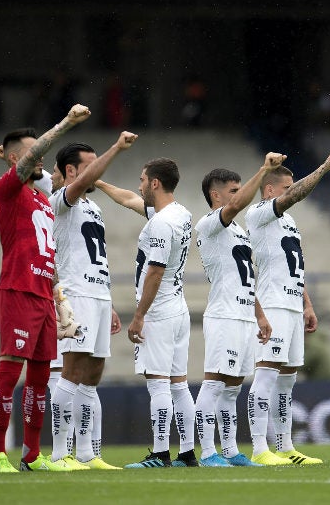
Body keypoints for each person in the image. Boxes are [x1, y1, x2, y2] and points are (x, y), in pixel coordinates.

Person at [0, 104, 93, 474]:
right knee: (9, 373)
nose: (41, 157)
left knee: (40, 378)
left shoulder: (42, 201)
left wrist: (59, 300)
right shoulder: (7, 190)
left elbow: (46, 255)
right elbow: (31, 155)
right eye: (34, 151)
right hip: (16, 290)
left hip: (43, 296)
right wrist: (64, 123)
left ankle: (32, 454)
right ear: (17, 158)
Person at [245, 151, 330, 465]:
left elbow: (295, 267)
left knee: (287, 380)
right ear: (270, 190)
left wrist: (307, 304)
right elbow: (299, 193)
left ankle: (286, 447)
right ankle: (260, 449)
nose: (291, 192)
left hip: (292, 304)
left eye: (291, 187)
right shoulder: (259, 212)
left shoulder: (289, 222)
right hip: (273, 304)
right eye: (285, 188)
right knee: (266, 376)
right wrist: (325, 167)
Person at [45, 131, 138, 470]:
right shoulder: (60, 200)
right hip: (77, 294)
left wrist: (109, 302)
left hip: (98, 295)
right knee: (70, 371)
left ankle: (87, 453)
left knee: (93, 374)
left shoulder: (93, 206)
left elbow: (94, 256)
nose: (97, 171)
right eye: (90, 166)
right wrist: (116, 148)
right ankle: (59, 454)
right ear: (71, 172)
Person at [95, 159, 196, 468]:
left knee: (159, 384)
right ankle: (188, 453)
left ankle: (161, 453)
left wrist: (139, 316)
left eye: (142, 180)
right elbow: (128, 199)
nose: (138, 186)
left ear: (155, 183)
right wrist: (97, 182)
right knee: (179, 384)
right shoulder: (180, 214)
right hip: (178, 307)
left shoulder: (161, 224)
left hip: (159, 312)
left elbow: (154, 272)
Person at [193, 154, 285, 467]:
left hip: (244, 314)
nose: (240, 194)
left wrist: (259, 314)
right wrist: (264, 171)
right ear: (215, 195)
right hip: (223, 314)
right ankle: (207, 453)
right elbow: (234, 208)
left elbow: (244, 276)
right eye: (234, 190)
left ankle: (230, 451)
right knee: (214, 383)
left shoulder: (238, 232)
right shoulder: (209, 225)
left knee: (232, 389)